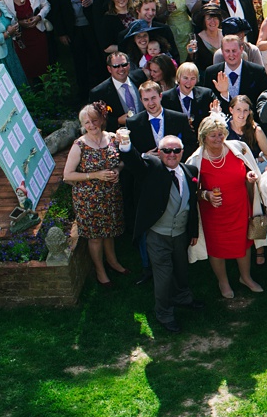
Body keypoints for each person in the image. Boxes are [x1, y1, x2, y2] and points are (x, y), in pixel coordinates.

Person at [117, 131, 203, 333]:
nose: (171, 154)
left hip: (180, 234)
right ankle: (164, 313)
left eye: (176, 150)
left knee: (181, 269)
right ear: (159, 152)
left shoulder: (190, 171)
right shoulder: (152, 169)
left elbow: (191, 204)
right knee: (163, 276)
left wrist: (192, 231)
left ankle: (183, 297)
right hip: (158, 235)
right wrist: (126, 144)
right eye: (166, 150)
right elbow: (134, 162)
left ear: (182, 151)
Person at [184, 113, 266, 299]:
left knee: (244, 244)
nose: (218, 138)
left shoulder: (238, 148)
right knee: (216, 248)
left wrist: (249, 178)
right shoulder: (195, 160)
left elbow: (248, 171)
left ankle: (246, 277)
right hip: (213, 214)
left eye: (221, 134)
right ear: (203, 137)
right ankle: (223, 282)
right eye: (213, 135)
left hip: (239, 207)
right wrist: (206, 195)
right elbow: (190, 193)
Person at [61, 102, 129, 289]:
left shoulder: (113, 138)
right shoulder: (79, 146)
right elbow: (67, 175)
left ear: (101, 120)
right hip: (88, 199)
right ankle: (100, 270)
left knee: (110, 232)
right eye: (86, 122)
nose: (91, 125)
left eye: (94, 120)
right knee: (95, 237)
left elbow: (122, 162)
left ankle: (113, 262)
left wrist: (117, 170)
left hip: (110, 195)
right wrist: (95, 175)